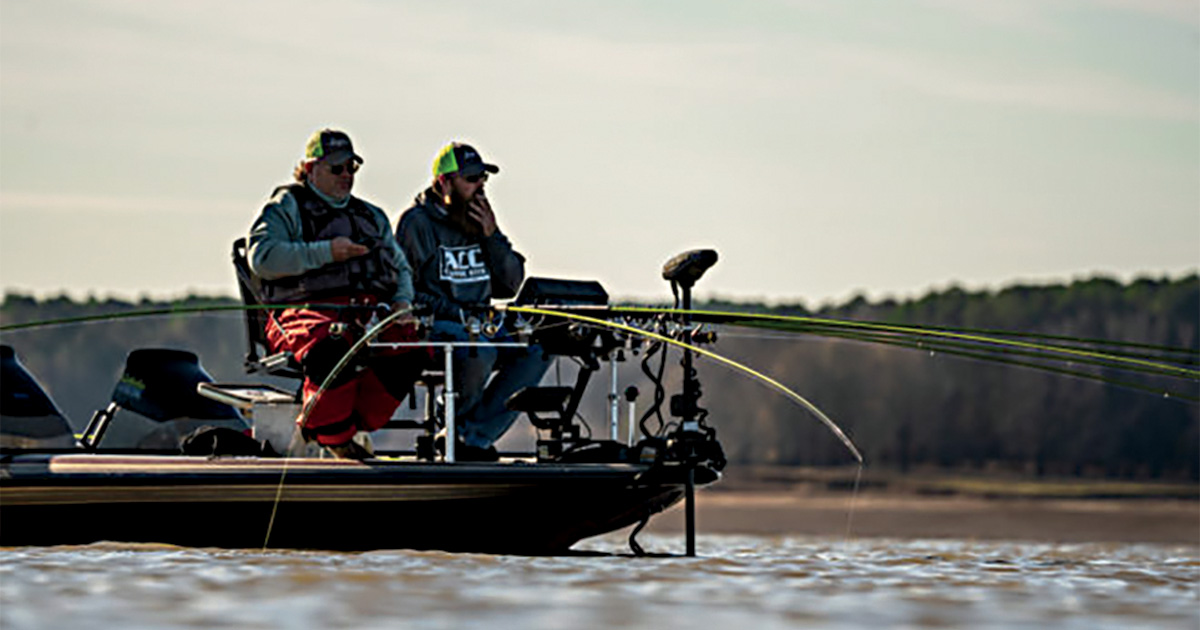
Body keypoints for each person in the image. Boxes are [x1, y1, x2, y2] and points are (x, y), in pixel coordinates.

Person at [247, 128, 425, 459]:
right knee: (334, 347)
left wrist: (402, 301)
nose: (347, 175)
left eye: (352, 168)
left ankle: (347, 426)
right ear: (311, 169)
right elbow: (261, 258)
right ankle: (334, 437)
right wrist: (328, 252)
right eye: (337, 168)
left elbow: (400, 269)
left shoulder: (371, 216)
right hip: (304, 314)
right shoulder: (286, 206)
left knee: (411, 350)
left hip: (368, 313)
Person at [396, 142, 550, 461]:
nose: (479, 186)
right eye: (470, 179)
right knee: (478, 348)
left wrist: (491, 235)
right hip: (436, 325)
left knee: (538, 346)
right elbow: (405, 292)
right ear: (444, 183)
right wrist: (457, 312)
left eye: (482, 178)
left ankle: (472, 436)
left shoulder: (479, 219)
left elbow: (510, 284)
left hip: (482, 322)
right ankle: (451, 429)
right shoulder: (416, 223)